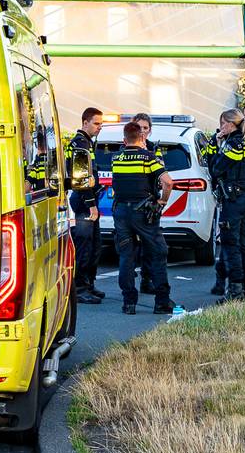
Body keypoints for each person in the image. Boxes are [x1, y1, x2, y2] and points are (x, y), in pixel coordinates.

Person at [111, 122, 179, 315]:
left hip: (122, 212)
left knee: (126, 256)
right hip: (144, 213)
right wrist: (162, 202)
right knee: (158, 253)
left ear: (124, 140)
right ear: (142, 138)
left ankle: (128, 303)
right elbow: (168, 182)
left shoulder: (117, 158)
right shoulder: (148, 157)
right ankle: (161, 302)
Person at [208, 109, 245, 299]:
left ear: (230, 124)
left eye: (222, 124)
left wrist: (217, 145)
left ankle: (235, 290)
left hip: (234, 200)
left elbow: (216, 168)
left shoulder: (233, 144)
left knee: (231, 245)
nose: (220, 127)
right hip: (244, 198)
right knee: (244, 244)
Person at [66, 107, 104, 304]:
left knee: (95, 245)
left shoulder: (87, 143)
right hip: (83, 202)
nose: (100, 127)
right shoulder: (80, 144)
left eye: (101, 124)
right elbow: (81, 179)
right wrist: (91, 205)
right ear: (85, 122)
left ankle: (89, 283)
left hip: (88, 199)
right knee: (84, 246)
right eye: (96, 123)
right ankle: (80, 288)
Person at [129, 113, 164, 295]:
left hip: (149, 203)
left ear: (150, 130)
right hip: (130, 205)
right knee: (129, 247)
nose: (142, 131)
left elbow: (160, 175)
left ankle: (147, 279)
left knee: (150, 246)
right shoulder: (126, 148)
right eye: (139, 127)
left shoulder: (153, 149)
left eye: (145, 128)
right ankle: (128, 285)